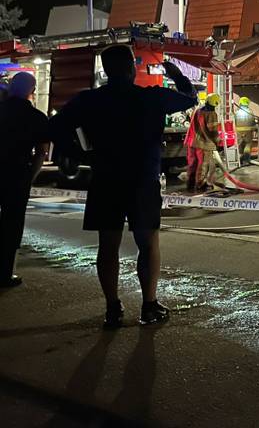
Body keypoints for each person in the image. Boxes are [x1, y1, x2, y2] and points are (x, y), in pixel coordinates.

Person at [49, 45, 196, 327]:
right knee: (148, 243)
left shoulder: (89, 100)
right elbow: (189, 98)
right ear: (131, 68)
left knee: (108, 246)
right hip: (142, 181)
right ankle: (149, 306)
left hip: (106, 180)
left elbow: (55, 128)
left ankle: (113, 309)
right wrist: (176, 73)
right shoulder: (151, 97)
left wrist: (82, 154)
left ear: (106, 70)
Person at [0, 73, 49, 288]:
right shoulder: (37, 117)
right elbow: (41, 152)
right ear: (32, 90)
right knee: (12, 224)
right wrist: (31, 177)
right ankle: (4, 273)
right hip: (17, 174)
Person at [192, 93, 220, 190]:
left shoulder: (198, 111)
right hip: (207, 144)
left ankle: (208, 182)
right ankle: (200, 183)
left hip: (198, 141)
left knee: (211, 165)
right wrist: (217, 142)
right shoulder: (212, 114)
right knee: (205, 165)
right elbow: (213, 130)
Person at [184, 91, 207, 192]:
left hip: (191, 140)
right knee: (201, 162)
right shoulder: (204, 111)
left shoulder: (196, 109)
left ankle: (190, 183)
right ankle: (200, 184)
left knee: (192, 162)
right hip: (199, 141)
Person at [234, 96, 256, 165]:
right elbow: (253, 122)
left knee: (240, 146)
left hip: (239, 132)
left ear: (240, 103)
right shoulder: (250, 112)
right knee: (247, 145)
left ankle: (239, 160)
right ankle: (246, 160)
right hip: (248, 132)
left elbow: (234, 122)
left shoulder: (237, 112)